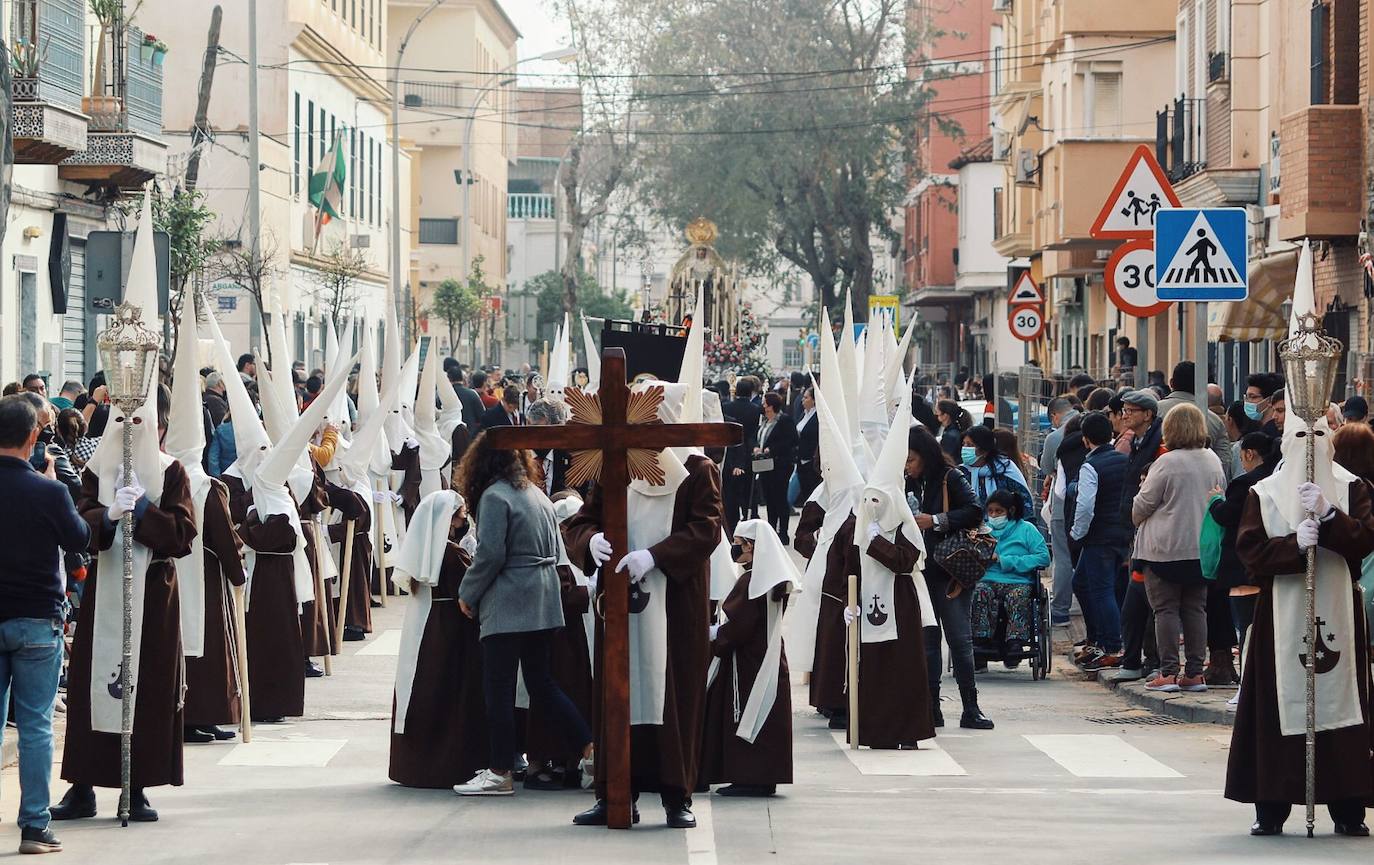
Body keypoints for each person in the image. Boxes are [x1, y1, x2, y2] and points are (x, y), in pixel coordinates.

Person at [562, 382, 723, 829]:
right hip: (619, 607)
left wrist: (655, 556)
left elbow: (707, 528)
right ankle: (615, 793)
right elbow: (582, 519)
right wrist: (589, 541)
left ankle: (677, 796)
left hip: (674, 607)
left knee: (675, 699)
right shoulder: (616, 462)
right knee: (617, 695)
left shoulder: (697, 467)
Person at [54, 382, 197, 823]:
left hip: (153, 594)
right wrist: (110, 513)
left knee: (148, 686)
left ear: (160, 428)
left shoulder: (172, 472)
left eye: (143, 423)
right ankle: (82, 785)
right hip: (106, 590)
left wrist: (147, 511)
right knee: (90, 686)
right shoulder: (98, 471)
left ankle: (136, 787)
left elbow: (182, 534)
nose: (134, 431)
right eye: (126, 422)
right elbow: (79, 523)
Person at [1229, 413, 1374, 837]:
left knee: (1341, 705)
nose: (1309, 445)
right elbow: (1251, 552)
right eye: (1299, 435)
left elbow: (1366, 538)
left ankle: (1349, 806)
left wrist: (1331, 518)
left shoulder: (1353, 488)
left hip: (1338, 612)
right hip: (1282, 615)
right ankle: (1271, 805)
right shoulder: (1264, 492)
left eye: (1317, 435)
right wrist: (1294, 546)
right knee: (1277, 707)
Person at [452, 436, 594, 797]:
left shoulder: (494, 497)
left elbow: (490, 556)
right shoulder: (536, 494)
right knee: (542, 683)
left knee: (497, 688)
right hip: (543, 597)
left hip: (509, 597)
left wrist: (468, 593)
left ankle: (500, 771)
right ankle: (589, 745)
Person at [0, 395, 90, 853]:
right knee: (35, 726)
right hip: (37, 616)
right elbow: (79, 537)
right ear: (34, 436)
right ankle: (34, 825)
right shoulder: (47, 489)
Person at [389, 489, 491, 787]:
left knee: (423, 688)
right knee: (452, 692)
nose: (463, 521)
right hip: (452, 630)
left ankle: (417, 765)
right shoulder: (451, 552)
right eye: (459, 516)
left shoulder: (424, 550)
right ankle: (451, 765)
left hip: (426, 628)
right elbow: (472, 589)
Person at [1131, 403, 1226, 693]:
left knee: (1166, 610)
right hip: (1201, 548)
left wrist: (1135, 512)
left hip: (1165, 549)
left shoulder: (1167, 462)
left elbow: (1143, 504)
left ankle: (1169, 672)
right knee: (1196, 609)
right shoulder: (1212, 460)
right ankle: (1195, 673)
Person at [699, 519, 795, 797]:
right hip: (766, 654)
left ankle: (750, 777)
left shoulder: (752, 580)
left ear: (751, 546)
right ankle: (762, 776)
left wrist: (716, 636)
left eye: (738, 544)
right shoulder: (769, 577)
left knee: (746, 713)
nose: (734, 550)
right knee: (766, 716)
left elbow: (740, 625)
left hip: (749, 660)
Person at [904, 426, 987, 728]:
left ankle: (970, 707)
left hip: (951, 572)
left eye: (911, 460)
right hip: (921, 571)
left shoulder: (951, 477)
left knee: (959, 641)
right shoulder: (907, 484)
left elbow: (975, 511)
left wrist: (937, 520)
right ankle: (931, 707)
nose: (907, 466)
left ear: (925, 455)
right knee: (927, 641)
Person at [1209, 430, 1278, 691]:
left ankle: (1248, 687)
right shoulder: (1277, 478)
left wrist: (1215, 501)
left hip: (1242, 565)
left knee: (1246, 628)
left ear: (1249, 454)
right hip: (1268, 562)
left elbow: (1226, 515)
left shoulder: (1245, 484)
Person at [1068, 411, 1130, 672]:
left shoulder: (1090, 466)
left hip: (1099, 537)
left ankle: (1112, 646)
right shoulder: (1123, 460)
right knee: (1081, 583)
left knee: (1102, 589)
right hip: (1120, 534)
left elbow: (1085, 507)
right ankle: (1097, 640)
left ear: (1085, 440)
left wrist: (1077, 534)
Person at [971, 489, 1050, 665]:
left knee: (1018, 595)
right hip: (987, 579)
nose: (993, 515)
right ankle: (981, 639)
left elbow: (1043, 557)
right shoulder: (982, 531)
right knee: (980, 592)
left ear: (1010, 511)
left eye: (998, 511)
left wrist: (1004, 560)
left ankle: (1016, 641)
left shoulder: (1026, 530)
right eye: (990, 511)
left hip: (1017, 580)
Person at [1155, 362, 1231, 484]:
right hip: (1204, 491)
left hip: (1160, 487)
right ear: (1201, 385)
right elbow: (1225, 462)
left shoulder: (1153, 413)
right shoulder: (1214, 420)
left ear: (1171, 383)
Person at [1042, 397, 1080, 626]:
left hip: (1063, 502)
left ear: (1055, 415)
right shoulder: (1094, 425)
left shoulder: (1055, 437)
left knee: (1063, 557)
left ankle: (1060, 611)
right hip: (1093, 501)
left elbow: (1046, 467)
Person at [754, 392, 798, 544]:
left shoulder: (784, 421)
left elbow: (791, 440)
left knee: (779, 498)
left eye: (765, 403)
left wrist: (772, 449)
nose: (763, 406)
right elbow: (760, 438)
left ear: (771, 405)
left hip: (780, 465)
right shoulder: (765, 421)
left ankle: (783, 532)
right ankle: (772, 529)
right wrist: (757, 448)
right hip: (765, 465)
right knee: (769, 498)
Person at [722, 377, 762, 536]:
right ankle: (747, 517)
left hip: (730, 452)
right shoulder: (755, 409)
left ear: (736, 391)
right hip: (748, 453)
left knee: (730, 493)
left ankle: (731, 524)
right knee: (748, 490)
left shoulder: (727, 407)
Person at [962, 424, 1032, 514]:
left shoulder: (1006, 469)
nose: (964, 448)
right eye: (963, 444)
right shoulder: (962, 473)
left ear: (984, 450)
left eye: (970, 445)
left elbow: (1024, 504)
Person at [794, 387, 820, 504]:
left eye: (806, 397)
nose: (802, 400)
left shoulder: (817, 417)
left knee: (811, 491)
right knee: (805, 491)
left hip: (811, 459)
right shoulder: (803, 414)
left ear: (814, 400)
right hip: (800, 459)